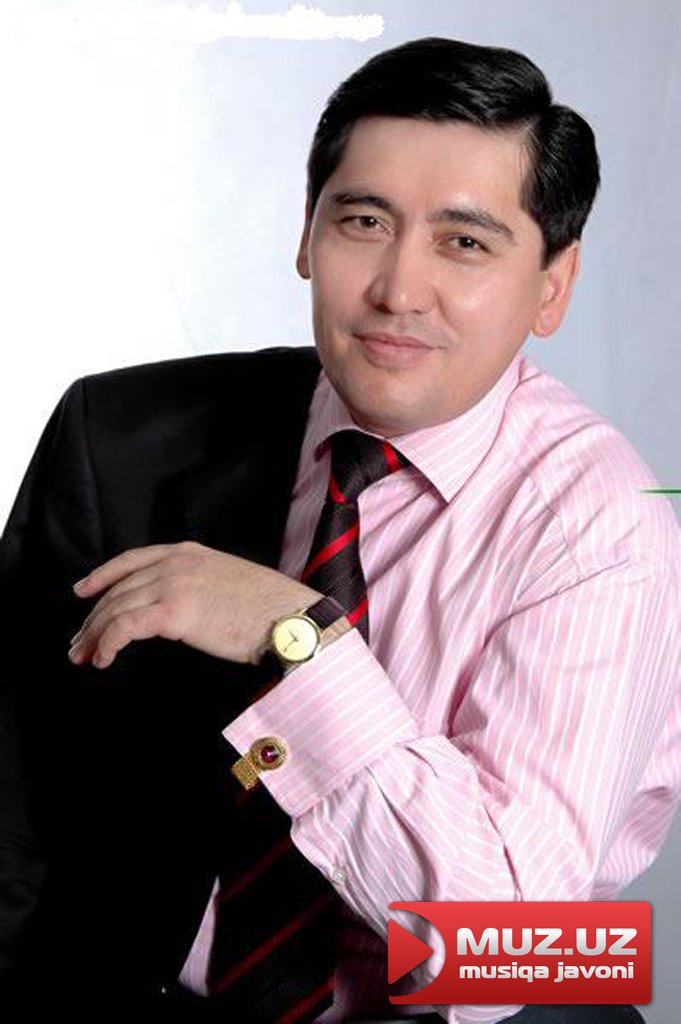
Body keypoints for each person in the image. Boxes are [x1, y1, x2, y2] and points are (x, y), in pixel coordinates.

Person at [0, 35, 678, 1024]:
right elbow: (16, 816)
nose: (398, 290)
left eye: (464, 242)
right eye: (363, 221)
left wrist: (298, 640)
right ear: (307, 236)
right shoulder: (118, 437)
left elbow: (511, 956)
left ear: (552, 284)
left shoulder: (609, 526)